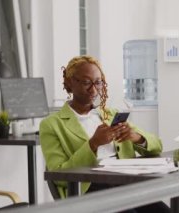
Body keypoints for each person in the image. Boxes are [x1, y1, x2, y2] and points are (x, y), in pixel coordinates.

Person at [39, 55, 171, 213]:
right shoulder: (52, 124)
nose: (94, 89)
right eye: (87, 82)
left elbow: (157, 145)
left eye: (98, 82)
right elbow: (58, 176)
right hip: (89, 191)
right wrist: (93, 144)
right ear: (70, 82)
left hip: (126, 185)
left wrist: (136, 137)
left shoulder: (110, 114)